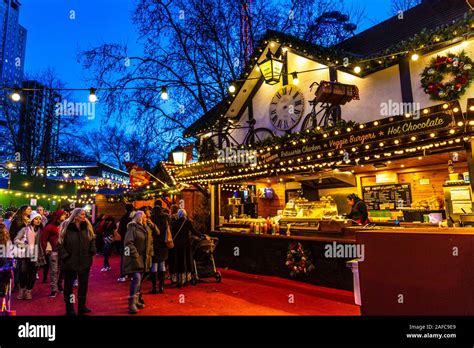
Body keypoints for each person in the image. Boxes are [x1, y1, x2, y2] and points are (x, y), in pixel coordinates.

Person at [57, 208, 96, 316]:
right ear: (75, 216)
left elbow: (92, 238)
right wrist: (65, 256)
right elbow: (59, 244)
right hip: (70, 262)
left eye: (84, 214)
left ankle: (81, 306)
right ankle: (70, 308)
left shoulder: (87, 226)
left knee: (83, 285)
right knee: (69, 287)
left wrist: (92, 251)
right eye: (82, 214)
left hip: (84, 260)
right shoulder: (66, 226)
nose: (85, 216)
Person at [122, 211, 153, 314]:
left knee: (140, 281)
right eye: (144, 217)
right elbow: (128, 243)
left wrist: (150, 253)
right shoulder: (132, 228)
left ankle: (136, 300)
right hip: (134, 258)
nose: (146, 218)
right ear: (139, 218)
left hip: (144, 258)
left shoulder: (146, 228)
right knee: (136, 279)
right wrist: (135, 255)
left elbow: (150, 241)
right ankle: (131, 303)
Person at [169, 209, 208, 288]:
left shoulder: (174, 223)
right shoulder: (187, 222)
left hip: (176, 246)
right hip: (185, 245)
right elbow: (194, 231)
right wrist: (203, 236)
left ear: (178, 215)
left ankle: (176, 279)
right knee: (185, 261)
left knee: (177, 261)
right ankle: (184, 279)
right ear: (185, 215)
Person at [14, 211, 46, 300]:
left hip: (36, 254)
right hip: (25, 254)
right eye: (36, 219)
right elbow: (16, 239)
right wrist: (24, 245)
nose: (38, 220)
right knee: (23, 272)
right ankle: (22, 290)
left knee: (32, 273)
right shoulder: (25, 229)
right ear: (32, 220)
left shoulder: (41, 230)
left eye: (39, 219)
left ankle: (28, 291)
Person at [41, 210, 67, 298]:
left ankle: (59, 285)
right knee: (54, 271)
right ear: (58, 216)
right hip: (54, 251)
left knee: (63, 269)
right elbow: (43, 239)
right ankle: (53, 289)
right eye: (63, 215)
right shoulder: (50, 227)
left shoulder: (64, 226)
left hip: (63, 251)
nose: (64, 217)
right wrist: (47, 250)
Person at [150, 206, 170, 294]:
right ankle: (161, 286)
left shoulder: (152, 220)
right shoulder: (165, 220)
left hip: (154, 245)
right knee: (162, 265)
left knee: (154, 266)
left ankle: (154, 287)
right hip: (163, 245)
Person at [117, 204, 135, 282]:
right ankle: (132, 274)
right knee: (132, 257)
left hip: (125, 241)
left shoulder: (124, 218)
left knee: (125, 257)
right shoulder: (134, 218)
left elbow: (120, 230)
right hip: (134, 241)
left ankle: (124, 274)